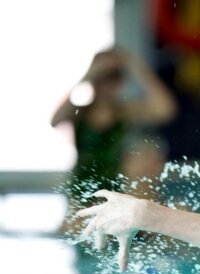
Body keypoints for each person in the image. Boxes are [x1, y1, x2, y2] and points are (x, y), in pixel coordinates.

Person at [51, 48, 176, 212]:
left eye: (113, 77)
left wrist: (133, 65)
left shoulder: (126, 111)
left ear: (120, 81)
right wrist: (89, 74)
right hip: (84, 193)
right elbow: (55, 120)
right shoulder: (79, 112)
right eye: (102, 77)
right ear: (94, 79)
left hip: (119, 191)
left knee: (145, 156)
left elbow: (166, 110)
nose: (107, 84)